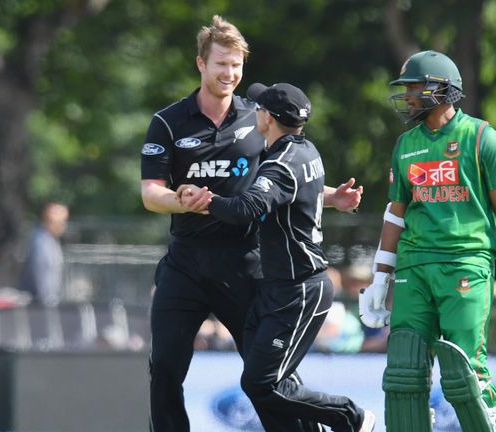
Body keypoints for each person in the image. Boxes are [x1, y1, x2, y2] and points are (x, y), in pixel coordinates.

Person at [139, 16, 362, 432]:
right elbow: (150, 193)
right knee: (165, 367)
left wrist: (333, 198)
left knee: (268, 376)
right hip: (185, 263)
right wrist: (181, 201)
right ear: (201, 64)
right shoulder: (169, 121)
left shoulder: (258, 117)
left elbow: (284, 181)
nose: (230, 74)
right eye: (221, 64)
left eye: (236, 65)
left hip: (245, 263)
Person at [358, 50, 496, 432]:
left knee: (465, 372)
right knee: (404, 370)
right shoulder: (405, 144)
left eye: (415, 87)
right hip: (414, 266)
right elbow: (396, 213)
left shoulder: (481, 137)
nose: (408, 95)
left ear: (442, 89)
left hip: (465, 262)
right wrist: (381, 276)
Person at [178, 82, 374, 432]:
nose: (253, 111)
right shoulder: (303, 149)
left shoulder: (283, 161)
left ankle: (351, 416)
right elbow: (292, 193)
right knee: (274, 383)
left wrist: (204, 200)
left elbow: (247, 207)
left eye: (258, 108)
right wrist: (335, 199)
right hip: (279, 287)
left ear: (267, 117)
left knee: (262, 384)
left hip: (298, 290)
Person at [20, 202, 69, 306]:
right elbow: (40, 273)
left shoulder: (50, 240)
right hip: (40, 304)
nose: (64, 226)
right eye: (62, 222)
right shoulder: (41, 242)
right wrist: (47, 301)